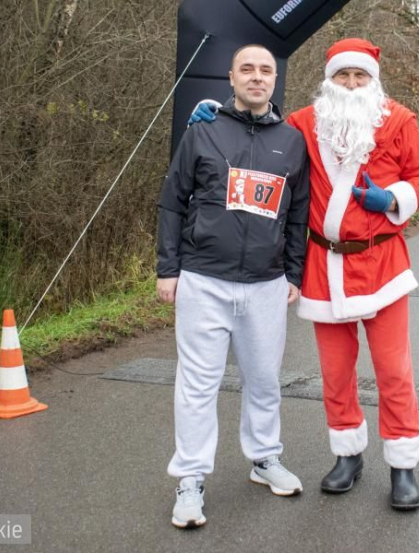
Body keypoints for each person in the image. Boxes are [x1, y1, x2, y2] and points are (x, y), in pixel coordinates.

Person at [190, 38, 419, 510]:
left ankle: (403, 465)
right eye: (343, 75)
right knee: (336, 374)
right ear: (330, 79)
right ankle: (348, 455)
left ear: (372, 80)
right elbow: (255, 133)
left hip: (382, 263)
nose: (351, 84)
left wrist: (392, 198)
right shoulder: (304, 122)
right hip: (325, 266)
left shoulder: (399, 120)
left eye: (360, 76)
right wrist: (212, 112)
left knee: (393, 371)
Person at [156, 44, 310, 529]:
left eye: (265, 70)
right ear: (231, 77)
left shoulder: (293, 141)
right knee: (197, 385)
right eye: (247, 69)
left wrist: (294, 273)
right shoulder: (202, 130)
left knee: (264, 380)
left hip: (266, 284)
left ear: (275, 80)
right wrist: (168, 268)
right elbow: (172, 202)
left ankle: (264, 459)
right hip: (204, 280)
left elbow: (298, 213)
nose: (257, 77)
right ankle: (190, 479)